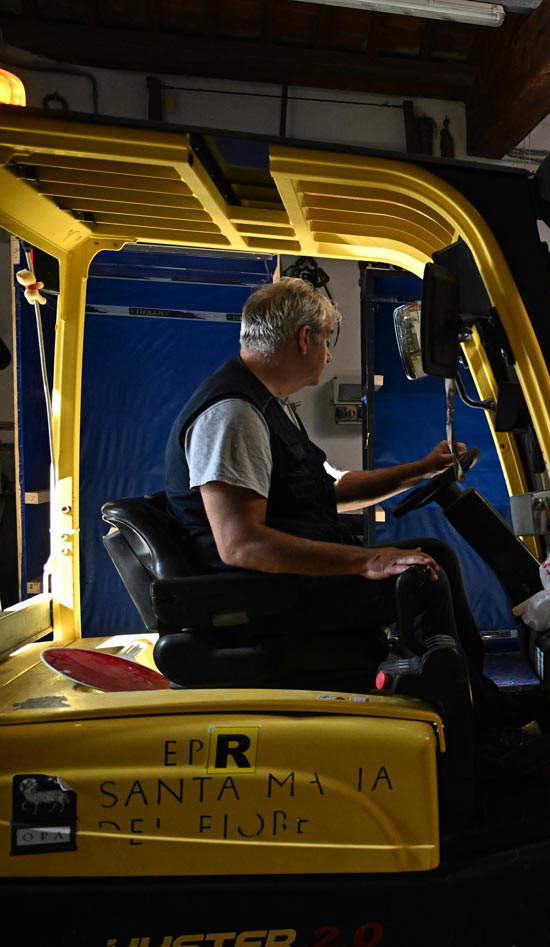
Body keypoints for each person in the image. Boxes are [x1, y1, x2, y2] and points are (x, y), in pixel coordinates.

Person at [164, 277, 485, 692]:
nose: (329, 354)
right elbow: (241, 544)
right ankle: (462, 704)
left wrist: (420, 470)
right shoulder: (234, 414)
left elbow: (327, 490)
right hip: (266, 595)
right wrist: (366, 561)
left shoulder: (268, 405)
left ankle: (474, 694)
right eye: (327, 340)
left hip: (285, 583)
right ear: (304, 338)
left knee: (432, 554)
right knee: (425, 576)